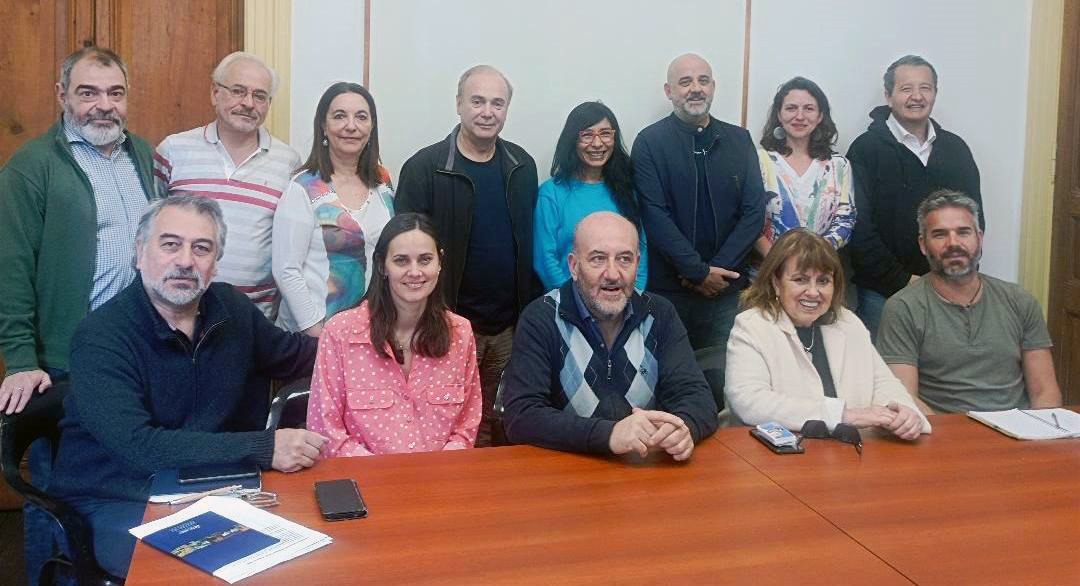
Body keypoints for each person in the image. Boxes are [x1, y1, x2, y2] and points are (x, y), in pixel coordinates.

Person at [49, 195, 325, 578]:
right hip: (117, 496)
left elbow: (300, 355)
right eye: (170, 244)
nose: (184, 261)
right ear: (139, 252)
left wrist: (381, 340)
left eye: (201, 248)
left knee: (305, 554)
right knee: (210, 570)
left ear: (215, 263)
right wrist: (264, 447)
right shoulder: (101, 336)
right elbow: (139, 447)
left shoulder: (230, 309)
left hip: (208, 487)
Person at [0, 46, 155, 585]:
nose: (102, 106)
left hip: (134, 357)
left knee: (119, 485)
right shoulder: (32, 167)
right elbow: (11, 267)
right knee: (55, 491)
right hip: (62, 363)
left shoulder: (141, 154)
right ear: (62, 96)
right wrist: (20, 358)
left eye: (114, 93)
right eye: (88, 92)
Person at [396, 65, 541, 447]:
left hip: (508, 329)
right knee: (444, 425)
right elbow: (404, 257)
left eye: (498, 103)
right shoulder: (424, 169)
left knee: (497, 422)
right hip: (448, 324)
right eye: (477, 101)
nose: (487, 112)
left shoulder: (522, 167)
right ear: (459, 105)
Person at [503, 212, 719, 459]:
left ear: (637, 264)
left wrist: (683, 427)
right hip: (565, 474)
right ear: (574, 266)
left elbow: (696, 397)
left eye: (625, 259)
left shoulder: (660, 314)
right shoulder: (541, 318)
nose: (613, 274)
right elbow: (521, 416)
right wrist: (609, 435)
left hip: (643, 471)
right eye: (598, 259)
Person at [725, 229, 929, 438]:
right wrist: (843, 415)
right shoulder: (753, 325)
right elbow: (749, 401)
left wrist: (901, 411)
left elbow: (883, 383)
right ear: (776, 283)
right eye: (800, 280)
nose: (813, 292)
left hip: (851, 454)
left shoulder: (848, 322)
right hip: (780, 458)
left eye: (823, 281)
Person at [307, 213, 482, 455]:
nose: (414, 271)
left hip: (441, 481)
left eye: (425, 260)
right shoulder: (340, 333)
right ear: (382, 266)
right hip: (364, 482)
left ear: (439, 263)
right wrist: (387, 478)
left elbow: (466, 426)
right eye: (401, 261)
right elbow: (326, 431)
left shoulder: (460, 333)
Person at [878, 190, 1061, 414]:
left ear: (979, 238)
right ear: (923, 244)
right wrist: (951, 441)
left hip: (1017, 435)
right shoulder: (902, 308)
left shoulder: (1020, 301)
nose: (953, 243)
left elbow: (1045, 391)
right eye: (940, 235)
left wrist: (1038, 439)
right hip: (943, 438)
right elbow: (905, 398)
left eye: (963, 232)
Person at [632, 53, 765, 359]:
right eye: (685, 81)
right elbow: (654, 215)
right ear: (669, 91)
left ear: (713, 87)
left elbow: (754, 212)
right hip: (669, 292)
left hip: (728, 291)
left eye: (703, 81)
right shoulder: (650, 143)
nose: (695, 88)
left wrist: (716, 273)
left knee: (727, 380)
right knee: (667, 379)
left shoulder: (740, 140)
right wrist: (696, 271)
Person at [155, 51, 301, 318]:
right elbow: (149, 232)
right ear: (215, 93)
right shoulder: (173, 150)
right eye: (238, 91)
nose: (248, 103)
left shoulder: (289, 163)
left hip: (255, 320)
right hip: (177, 313)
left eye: (260, 96)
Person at [847, 55, 983, 340]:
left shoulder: (955, 149)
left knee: (943, 378)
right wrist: (904, 281)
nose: (917, 96)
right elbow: (858, 228)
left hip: (950, 287)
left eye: (926, 88)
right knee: (884, 379)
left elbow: (975, 220)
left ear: (935, 93)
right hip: (882, 294)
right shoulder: (865, 149)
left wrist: (949, 276)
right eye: (906, 88)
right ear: (888, 95)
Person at [272, 82, 394, 336]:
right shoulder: (303, 186)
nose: (351, 125)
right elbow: (286, 270)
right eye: (340, 116)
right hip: (313, 336)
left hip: (370, 334)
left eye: (361, 117)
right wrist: (317, 333)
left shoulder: (383, 183)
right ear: (324, 126)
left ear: (372, 127)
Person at [534, 101, 648, 291]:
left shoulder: (627, 191)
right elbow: (545, 261)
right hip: (568, 307)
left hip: (623, 305)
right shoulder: (551, 194)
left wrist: (634, 297)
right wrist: (576, 305)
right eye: (587, 135)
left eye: (605, 134)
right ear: (573, 141)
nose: (597, 143)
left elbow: (640, 252)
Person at [755, 77, 855, 258]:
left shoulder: (839, 166)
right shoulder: (759, 161)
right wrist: (778, 262)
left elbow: (845, 219)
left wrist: (812, 257)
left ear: (820, 116)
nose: (799, 116)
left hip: (818, 270)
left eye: (809, 109)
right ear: (779, 114)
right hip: (767, 270)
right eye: (791, 108)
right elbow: (749, 218)